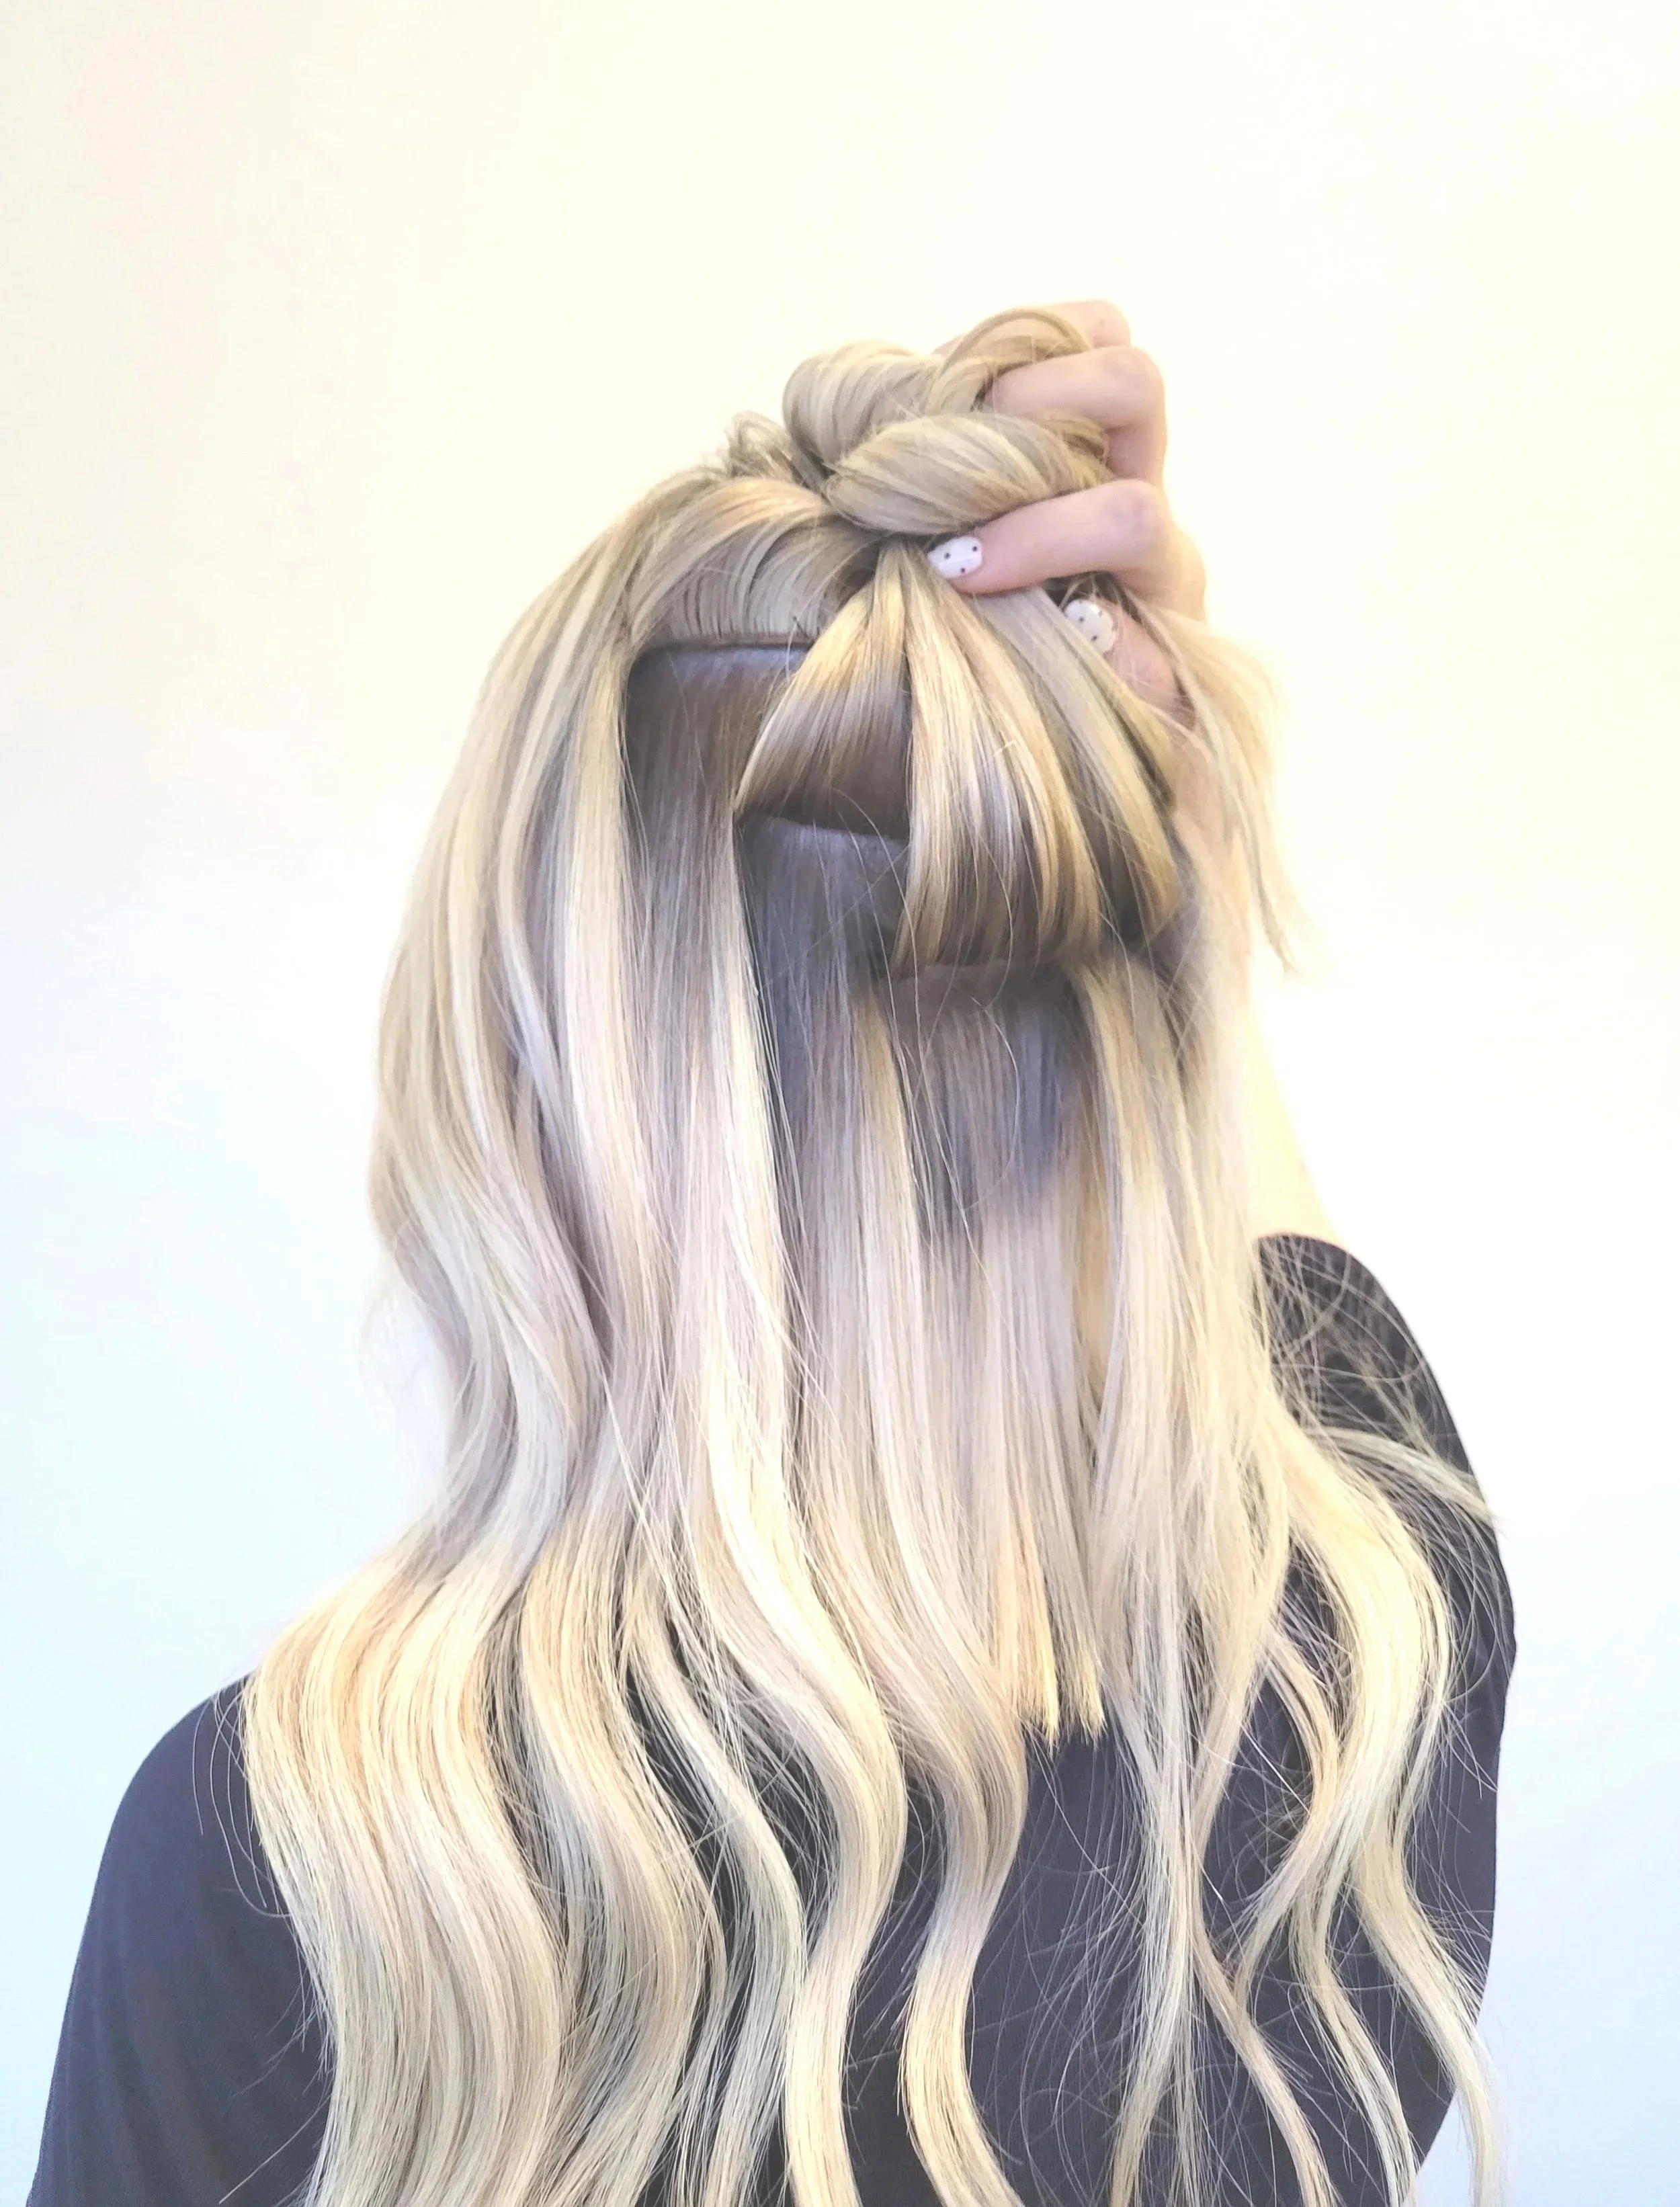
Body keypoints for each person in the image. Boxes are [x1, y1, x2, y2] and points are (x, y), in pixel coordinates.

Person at [28, 301, 1515, 2207]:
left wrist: (1091, 783)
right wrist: (1130, 784)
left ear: (512, 1072)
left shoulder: (287, 1874)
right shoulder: (1351, 1690)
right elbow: (1249, 1213)